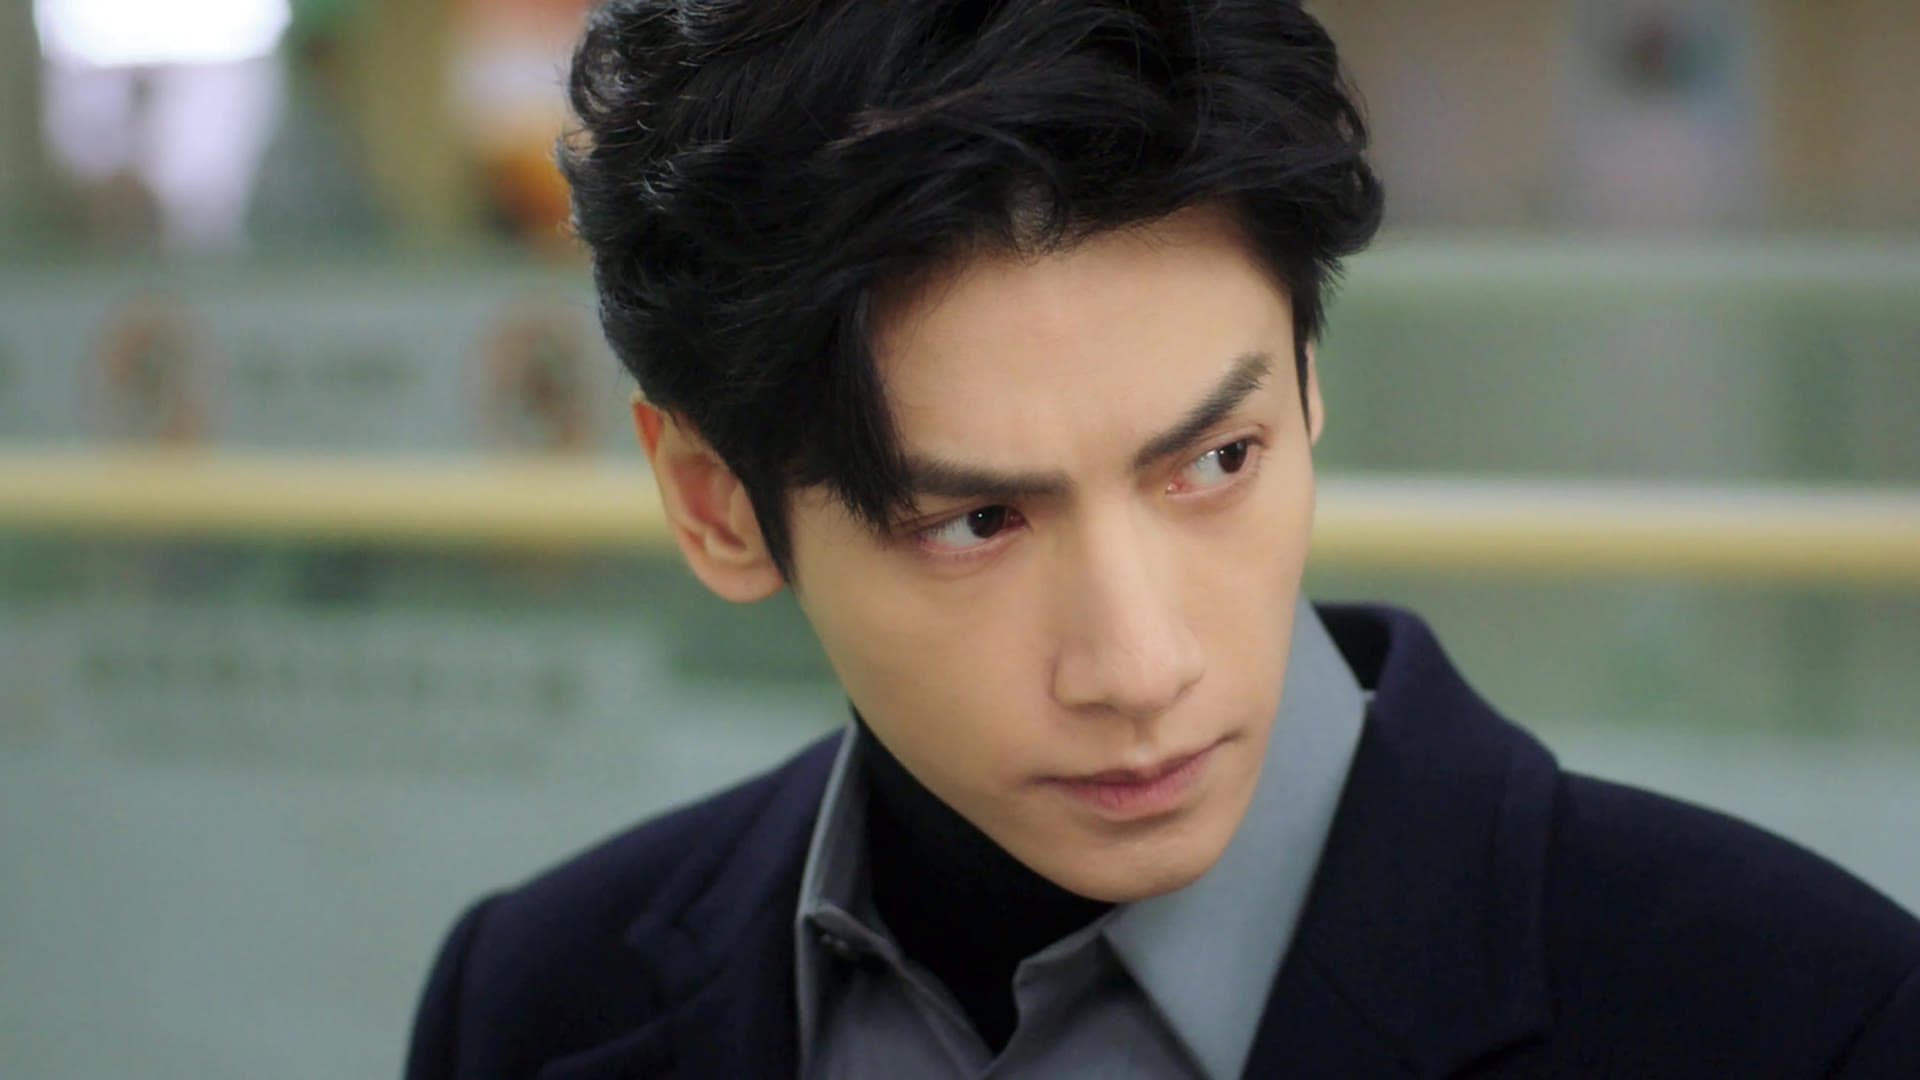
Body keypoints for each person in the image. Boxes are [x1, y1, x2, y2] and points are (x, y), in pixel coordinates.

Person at [404, 2, 1920, 1077]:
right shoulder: (533, 1005)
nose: (1141, 666)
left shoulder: (1805, 1019)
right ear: (715, 505)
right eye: (977, 521)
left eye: (1215, 461)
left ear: (1309, 384)